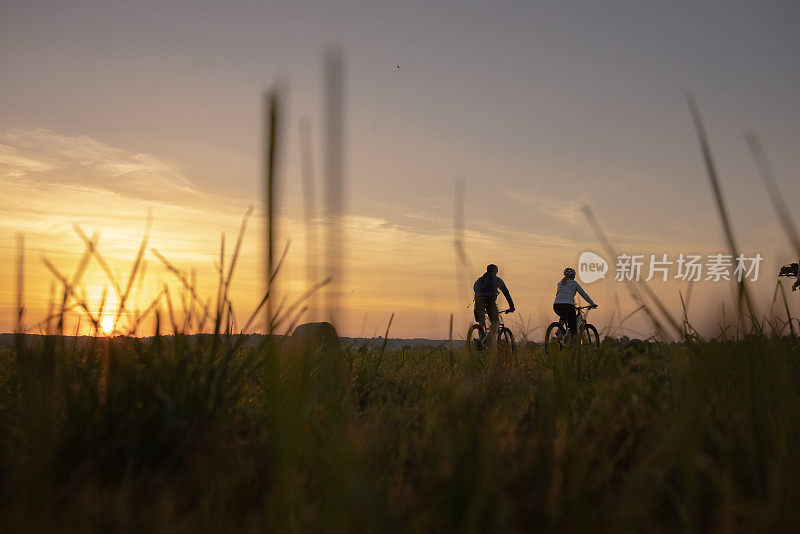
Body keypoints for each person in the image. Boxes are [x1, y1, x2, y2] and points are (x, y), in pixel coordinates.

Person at [473, 264, 515, 343]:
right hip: (489, 302)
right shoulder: (497, 280)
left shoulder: (479, 280)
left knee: (481, 322)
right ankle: (489, 341)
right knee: (495, 321)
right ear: (496, 271)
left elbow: (475, 291)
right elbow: (506, 293)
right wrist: (511, 306)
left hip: (478, 302)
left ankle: (481, 340)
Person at [553, 267, 597, 337]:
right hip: (568, 305)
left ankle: (559, 329)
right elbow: (583, 294)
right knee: (573, 328)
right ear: (573, 276)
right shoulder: (574, 283)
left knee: (564, 316)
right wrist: (592, 303)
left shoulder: (560, 284)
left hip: (556, 305)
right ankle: (574, 343)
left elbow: (559, 295)